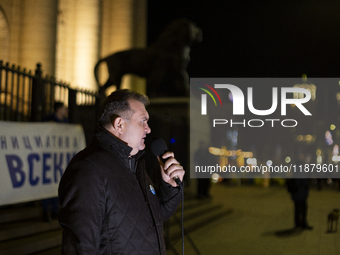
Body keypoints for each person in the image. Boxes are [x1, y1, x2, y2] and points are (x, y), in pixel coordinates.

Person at [58, 89, 185, 254]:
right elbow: (81, 247)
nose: (148, 129)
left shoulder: (132, 164)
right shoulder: (89, 169)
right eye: (142, 121)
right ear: (119, 124)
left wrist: (170, 187)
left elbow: (152, 218)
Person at [42, 101, 69, 222]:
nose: (66, 110)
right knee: (47, 185)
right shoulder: (48, 119)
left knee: (56, 185)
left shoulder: (65, 122)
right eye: (64, 108)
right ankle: (45, 210)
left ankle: (54, 210)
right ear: (59, 109)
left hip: (59, 158)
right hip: (49, 157)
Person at [286, 154, 313, 230]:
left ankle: (298, 223)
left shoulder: (295, 171)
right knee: (303, 209)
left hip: (296, 194)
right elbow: (303, 183)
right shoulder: (301, 172)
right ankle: (303, 223)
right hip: (300, 194)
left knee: (297, 209)